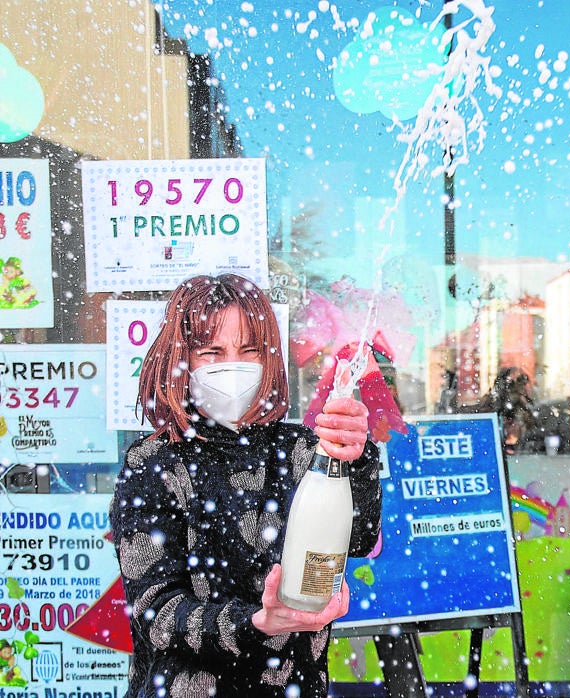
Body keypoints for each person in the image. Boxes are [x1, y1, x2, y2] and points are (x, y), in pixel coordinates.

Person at [110, 273, 381, 698]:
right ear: (181, 359)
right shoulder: (154, 463)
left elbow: (359, 537)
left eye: (249, 350)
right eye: (211, 351)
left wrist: (356, 456)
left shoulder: (301, 451)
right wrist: (257, 623)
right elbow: (157, 617)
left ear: (269, 358)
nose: (231, 366)